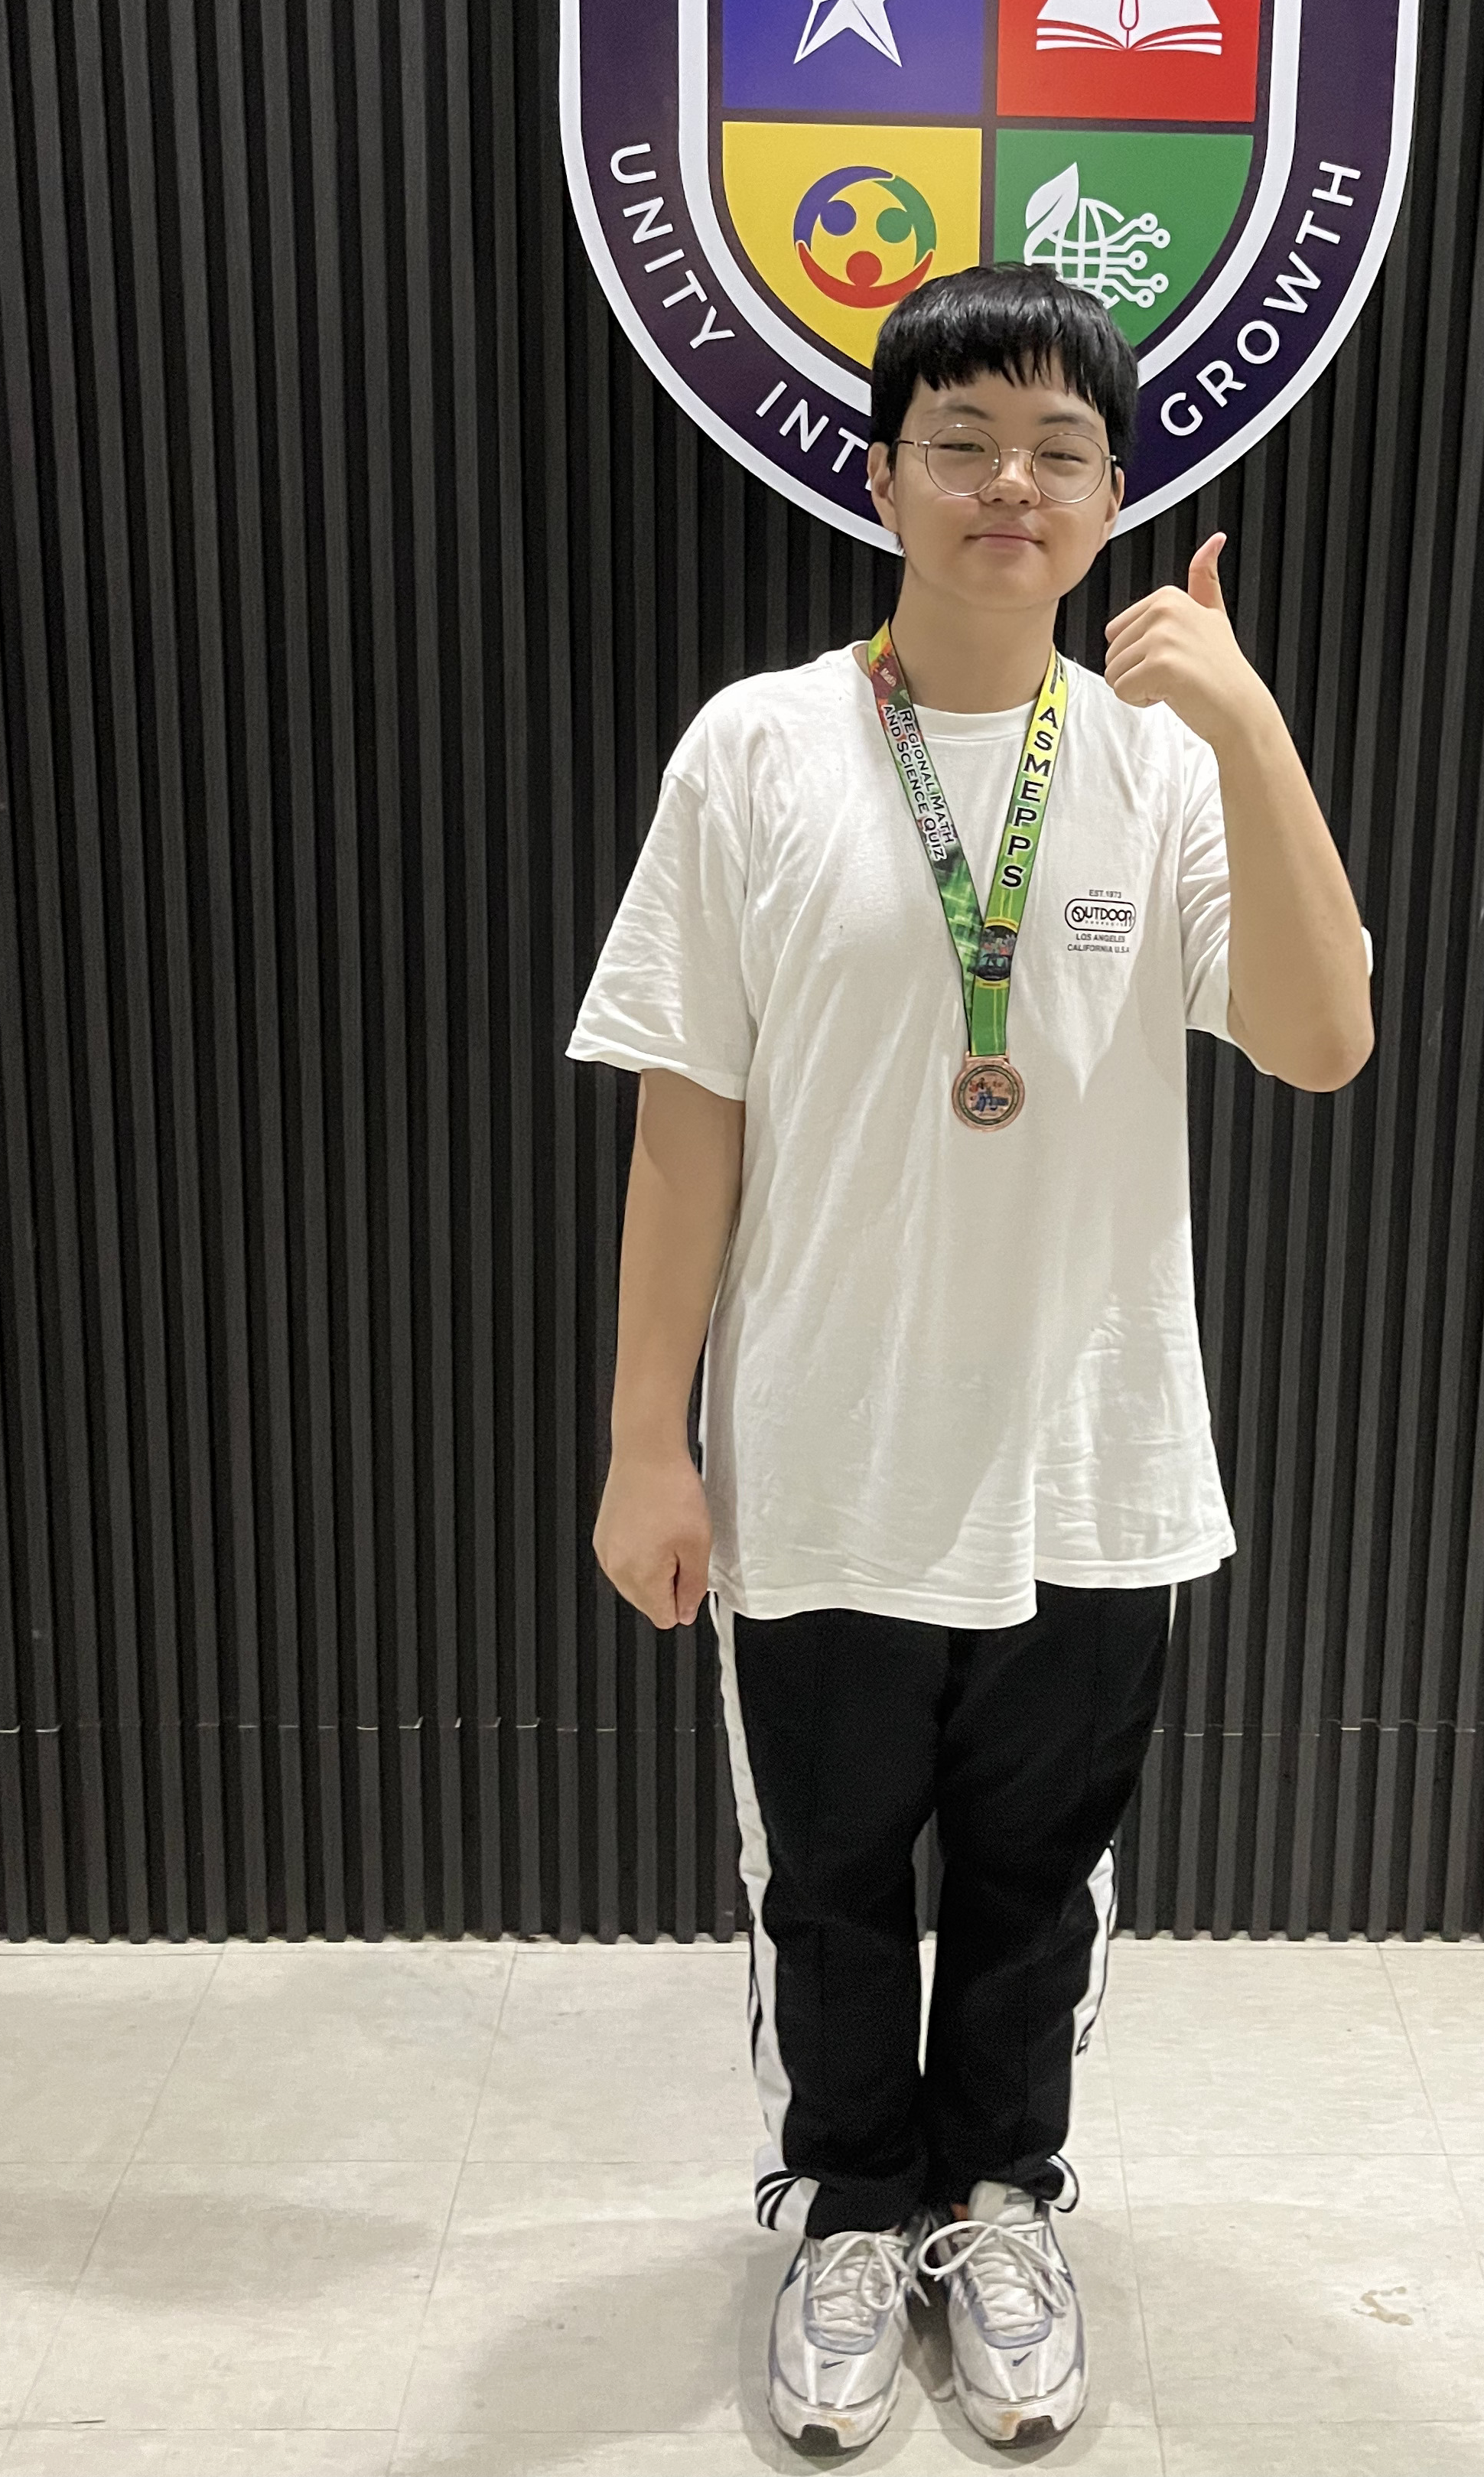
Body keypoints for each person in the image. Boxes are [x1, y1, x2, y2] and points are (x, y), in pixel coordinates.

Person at [569, 263, 1374, 2455]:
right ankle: (849, 2214)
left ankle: (1002, 2204)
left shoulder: (1161, 763)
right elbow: (684, 1127)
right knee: (829, 1890)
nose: (1009, 483)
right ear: (882, 473)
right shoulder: (755, 748)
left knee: (1036, 1894)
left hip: (1089, 1464)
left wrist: (1251, 724)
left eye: (1058, 449)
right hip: (822, 1456)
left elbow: (1323, 1039)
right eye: (962, 440)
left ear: (1111, 499)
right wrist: (648, 1442)